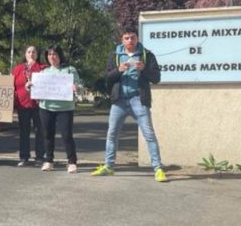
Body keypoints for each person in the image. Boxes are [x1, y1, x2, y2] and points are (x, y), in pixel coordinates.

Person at [91, 26, 166, 182]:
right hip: (119, 101)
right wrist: (118, 70)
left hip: (138, 99)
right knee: (112, 134)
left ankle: (158, 169)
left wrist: (144, 69)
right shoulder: (115, 55)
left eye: (132, 37)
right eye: (127, 38)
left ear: (137, 38)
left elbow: (156, 78)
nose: (130, 41)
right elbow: (107, 78)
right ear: (122, 40)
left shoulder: (147, 55)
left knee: (149, 135)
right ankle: (109, 166)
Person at [34, 45, 80, 173]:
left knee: (66, 135)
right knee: (47, 135)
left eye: (54, 54)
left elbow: (79, 85)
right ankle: (48, 161)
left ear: (60, 55)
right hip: (46, 107)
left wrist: (77, 88)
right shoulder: (43, 72)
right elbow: (36, 90)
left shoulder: (70, 70)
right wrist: (30, 86)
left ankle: (72, 162)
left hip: (65, 108)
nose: (51, 57)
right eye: (49, 54)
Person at [11, 45, 46, 166]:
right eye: (29, 52)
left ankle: (40, 157)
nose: (31, 54)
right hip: (23, 105)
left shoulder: (42, 68)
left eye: (34, 52)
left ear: (37, 54)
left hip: (38, 105)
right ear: (25, 54)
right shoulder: (17, 69)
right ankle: (24, 157)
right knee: (24, 131)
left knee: (39, 131)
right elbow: (11, 86)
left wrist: (34, 67)